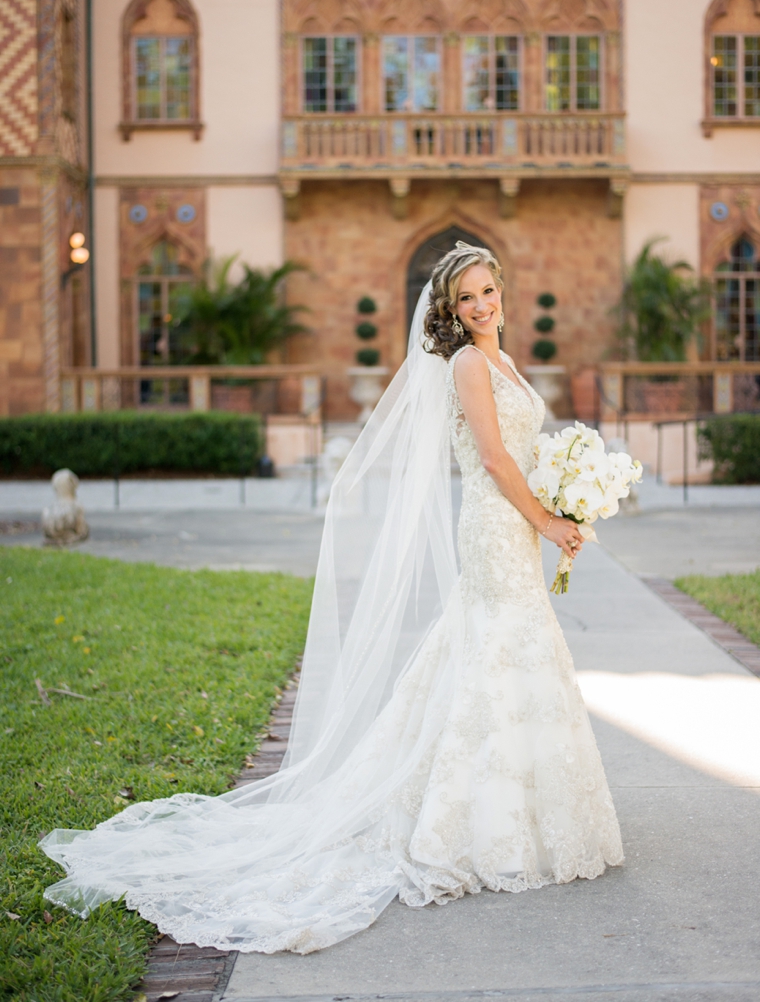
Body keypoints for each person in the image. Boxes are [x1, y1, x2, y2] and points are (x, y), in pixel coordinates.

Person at [40, 243, 623, 954]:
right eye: (466, 298)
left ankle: (524, 805)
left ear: (504, 290)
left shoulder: (501, 359)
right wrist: (547, 519)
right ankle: (474, 821)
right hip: (497, 525)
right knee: (502, 649)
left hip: (515, 524)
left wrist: (569, 488)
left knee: (496, 650)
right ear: (450, 308)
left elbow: (524, 452)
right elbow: (495, 459)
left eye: (488, 291)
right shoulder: (469, 364)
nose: (481, 306)